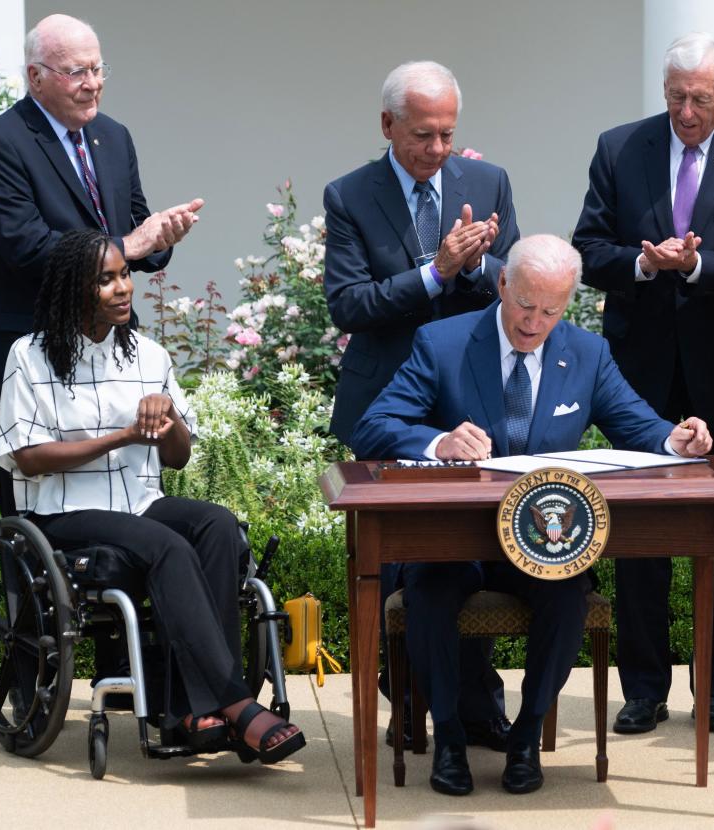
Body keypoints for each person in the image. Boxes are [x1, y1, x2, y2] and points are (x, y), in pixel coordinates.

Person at [351, 234, 712, 795]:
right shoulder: (443, 343)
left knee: (569, 595)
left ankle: (524, 739)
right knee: (430, 590)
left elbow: (638, 425)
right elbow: (372, 427)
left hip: (541, 537)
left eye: (550, 310)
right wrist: (439, 440)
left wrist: (677, 439)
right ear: (501, 285)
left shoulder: (586, 353)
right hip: (455, 538)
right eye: (524, 304)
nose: (533, 322)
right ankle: (447, 736)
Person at [0, 229, 305, 764]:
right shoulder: (30, 356)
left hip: (138, 502)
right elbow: (28, 456)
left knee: (217, 525)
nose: (123, 288)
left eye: (125, 274)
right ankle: (234, 704)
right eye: (106, 279)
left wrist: (168, 418)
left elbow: (178, 457)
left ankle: (189, 709)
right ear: (74, 288)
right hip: (64, 512)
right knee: (166, 546)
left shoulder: (149, 356)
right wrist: (123, 436)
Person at [572, 31, 714, 734]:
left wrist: (695, 267)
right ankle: (643, 688)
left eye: (699, 98)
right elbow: (589, 248)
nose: (686, 112)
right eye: (674, 97)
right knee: (636, 533)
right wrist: (643, 263)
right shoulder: (620, 147)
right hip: (638, 372)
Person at [322, 60, 520, 751]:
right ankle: (410, 702)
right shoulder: (350, 195)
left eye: (447, 136)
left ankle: (476, 707)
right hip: (387, 405)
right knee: (403, 565)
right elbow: (349, 304)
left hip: (465, 400)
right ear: (388, 126)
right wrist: (435, 272)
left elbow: (513, 284)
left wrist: (481, 265)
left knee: (474, 550)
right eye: (423, 137)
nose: (437, 151)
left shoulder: (485, 181)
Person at [0, 13, 203, 519]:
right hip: (29, 355)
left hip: (112, 356)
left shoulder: (113, 137)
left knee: (136, 507)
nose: (92, 83)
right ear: (36, 77)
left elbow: (135, 230)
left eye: (98, 69)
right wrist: (127, 242)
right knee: (34, 526)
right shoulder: (2, 142)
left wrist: (161, 236)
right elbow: (26, 247)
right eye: (76, 71)